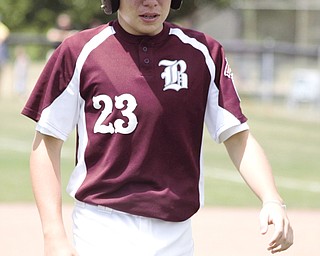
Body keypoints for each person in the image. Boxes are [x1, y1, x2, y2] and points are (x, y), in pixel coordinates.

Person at [22, 0, 293, 255]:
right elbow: (47, 142)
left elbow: (238, 138)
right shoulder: (79, 51)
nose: (151, 2)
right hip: (101, 225)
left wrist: (271, 198)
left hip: (176, 230)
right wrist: (53, 233)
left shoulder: (203, 52)